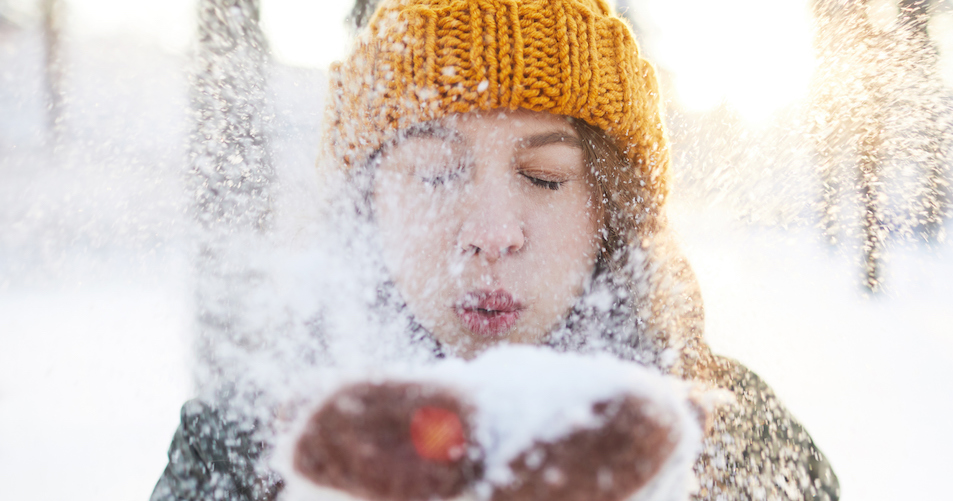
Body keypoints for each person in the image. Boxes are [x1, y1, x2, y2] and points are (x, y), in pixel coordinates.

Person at [152, 1, 840, 500]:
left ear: (613, 210)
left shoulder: (719, 433)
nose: (491, 231)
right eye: (434, 172)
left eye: (544, 177)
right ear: (366, 208)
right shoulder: (252, 444)